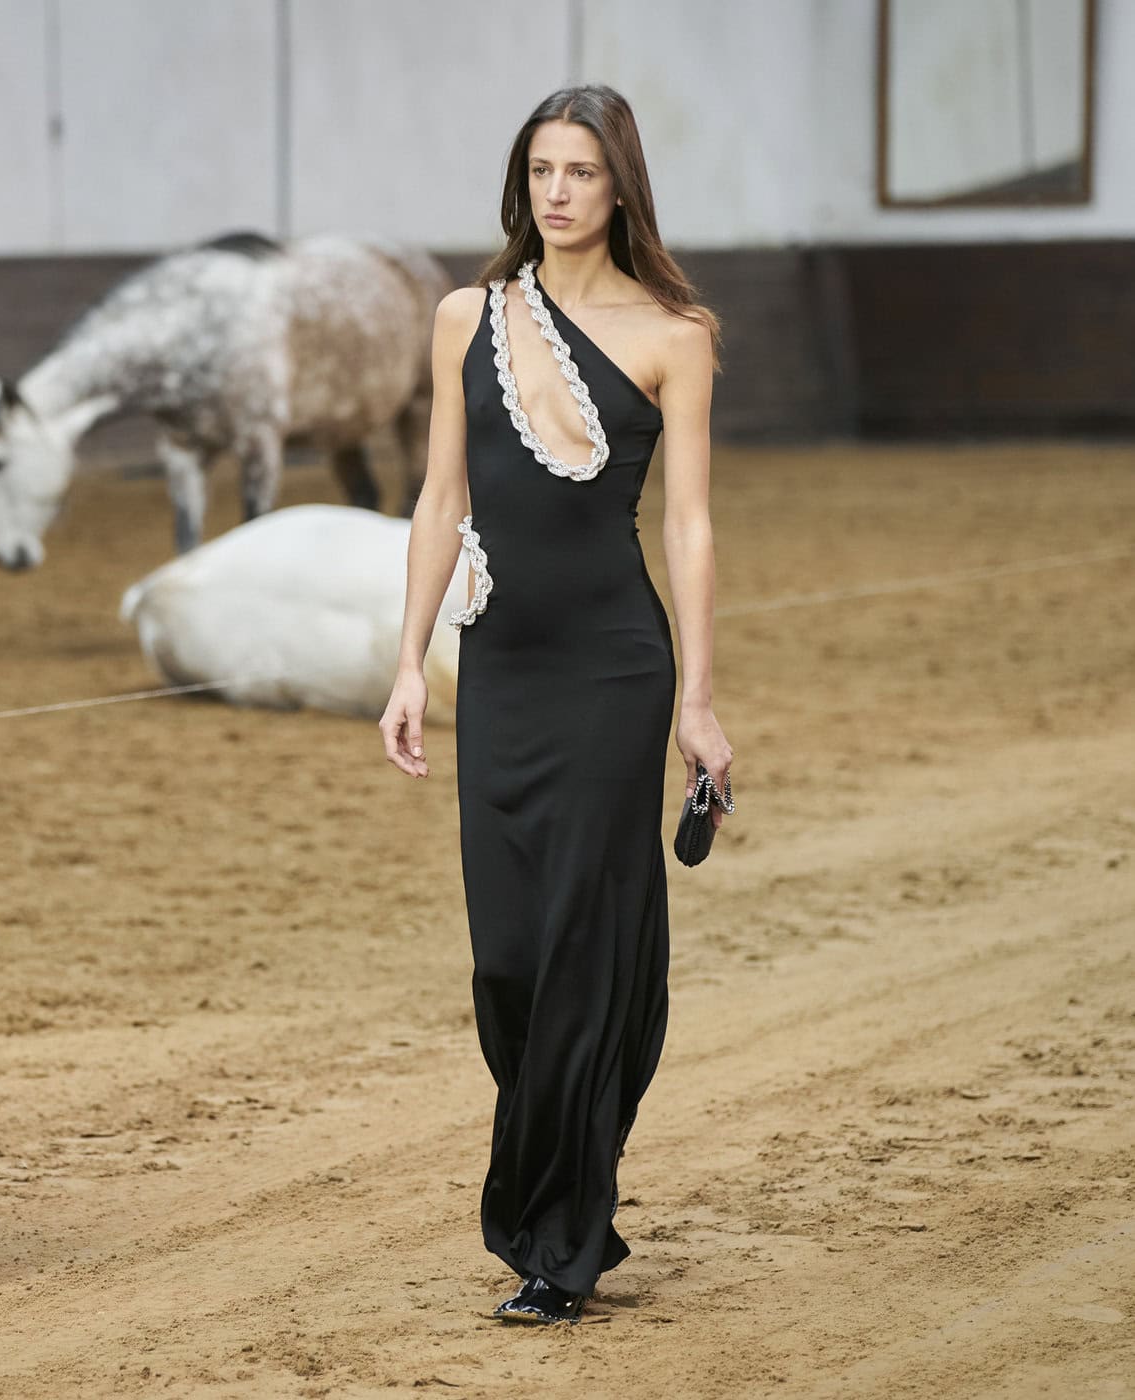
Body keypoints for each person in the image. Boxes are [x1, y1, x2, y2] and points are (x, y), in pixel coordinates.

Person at [378, 86, 734, 1324]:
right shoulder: (464, 316)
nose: (559, 192)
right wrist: (408, 661)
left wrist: (699, 699)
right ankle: (563, 1181)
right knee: (510, 956)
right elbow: (440, 500)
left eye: (581, 170)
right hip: (503, 672)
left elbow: (688, 525)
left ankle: (560, 1235)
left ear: (619, 185)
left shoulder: (675, 333)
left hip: (615, 674)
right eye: (541, 169)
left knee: (583, 942)